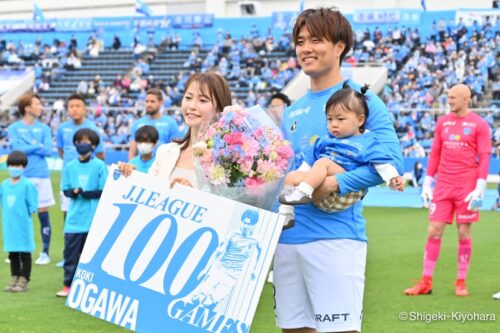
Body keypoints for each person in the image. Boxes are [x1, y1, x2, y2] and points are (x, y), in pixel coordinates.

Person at [274, 8, 403, 333]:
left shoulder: (362, 100)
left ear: (340, 46)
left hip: (335, 239)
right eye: (300, 41)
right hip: (287, 241)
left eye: (316, 40)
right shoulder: (294, 107)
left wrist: (336, 183)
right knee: (294, 330)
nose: (305, 48)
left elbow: (391, 163)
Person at [404, 84, 492, 297]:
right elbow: (434, 153)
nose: (449, 101)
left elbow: (485, 155)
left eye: (453, 97)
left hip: (467, 186)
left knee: (464, 232)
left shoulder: (479, 125)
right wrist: (427, 181)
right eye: (449, 97)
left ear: (465, 99)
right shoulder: (442, 123)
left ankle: (460, 282)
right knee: (433, 230)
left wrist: (480, 185)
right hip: (443, 185)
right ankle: (425, 282)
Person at [279, 85, 404, 225]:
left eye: (340, 119)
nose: (334, 124)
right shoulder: (325, 139)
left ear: (360, 120)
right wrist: (299, 179)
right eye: (330, 119)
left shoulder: (367, 140)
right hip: (319, 188)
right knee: (291, 176)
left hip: (343, 191)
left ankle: (304, 191)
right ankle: (286, 215)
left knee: (322, 163)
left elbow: (382, 162)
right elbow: (307, 163)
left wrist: (392, 178)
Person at [119, 73, 232, 190]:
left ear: (220, 108)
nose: (192, 106)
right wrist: (131, 178)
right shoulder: (164, 152)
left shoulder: (231, 159)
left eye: (203, 100)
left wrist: (195, 196)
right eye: (188, 98)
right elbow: (149, 193)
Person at [56, 129, 108, 297]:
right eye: (79, 141)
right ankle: (68, 286)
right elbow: (66, 190)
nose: (83, 144)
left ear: (93, 145)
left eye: (86, 141)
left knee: (91, 257)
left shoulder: (99, 166)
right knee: (70, 256)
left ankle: (89, 289)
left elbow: (104, 190)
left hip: (93, 218)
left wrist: (84, 192)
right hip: (74, 219)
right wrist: (74, 192)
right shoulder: (70, 166)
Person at [7, 93, 55, 265]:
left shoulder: (44, 128)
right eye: (37, 104)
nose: (40, 107)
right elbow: (16, 150)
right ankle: (16, 250)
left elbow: (48, 150)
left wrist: (28, 147)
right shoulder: (14, 128)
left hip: (41, 175)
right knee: (19, 214)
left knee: (43, 215)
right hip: (22, 176)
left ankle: (45, 252)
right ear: (27, 108)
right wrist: (37, 145)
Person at [183, 209, 262, 311]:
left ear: (253, 225)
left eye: (249, 224)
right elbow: (217, 252)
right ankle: (195, 298)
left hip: (233, 275)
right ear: (241, 222)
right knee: (200, 296)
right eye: (245, 223)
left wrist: (255, 269)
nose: (246, 226)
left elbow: (260, 252)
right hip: (220, 269)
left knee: (210, 301)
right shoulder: (232, 235)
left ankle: (201, 310)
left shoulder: (256, 239)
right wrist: (206, 269)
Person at [56, 94, 105, 222]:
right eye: (71, 106)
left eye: (78, 106)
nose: (74, 109)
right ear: (67, 109)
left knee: (90, 214)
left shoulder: (93, 128)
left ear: (85, 109)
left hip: (89, 178)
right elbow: (61, 151)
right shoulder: (62, 128)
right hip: (69, 177)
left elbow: (100, 155)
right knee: (68, 214)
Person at [1, 151, 38, 292]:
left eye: (17, 165)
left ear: (24, 167)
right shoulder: (4, 185)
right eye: (11, 165)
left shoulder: (27, 185)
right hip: (9, 226)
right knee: (12, 254)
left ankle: (24, 279)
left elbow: (33, 204)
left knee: (25, 253)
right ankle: (14, 277)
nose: (14, 168)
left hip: (22, 225)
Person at [128, 88, 180, 160]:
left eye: (152, 101)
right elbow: (133, 151)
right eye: (147, 101)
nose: (149, 104)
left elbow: (176, 150)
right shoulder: (137, 124)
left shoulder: (171, 123)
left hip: (163, 167)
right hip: (143, 169)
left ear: (161, 102)